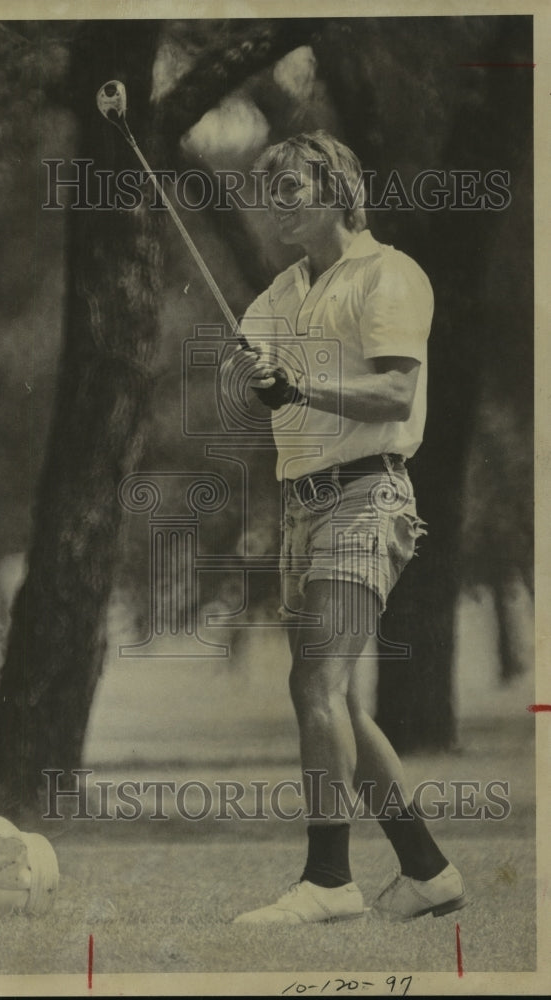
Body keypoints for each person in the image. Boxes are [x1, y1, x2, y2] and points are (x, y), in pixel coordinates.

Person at [225, 131, 466, 925]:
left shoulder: (387, 275)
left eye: (290, 189)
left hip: (367, 493)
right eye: (268, 194)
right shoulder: (280, 291)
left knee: (315, 685)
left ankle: (328, 880)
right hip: (300, 505)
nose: (276, 207)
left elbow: (394, 394)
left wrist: (298, 385)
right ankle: (427, 871)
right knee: (338, 704)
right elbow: (246, 374)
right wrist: (250, 373)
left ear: (336, 189)